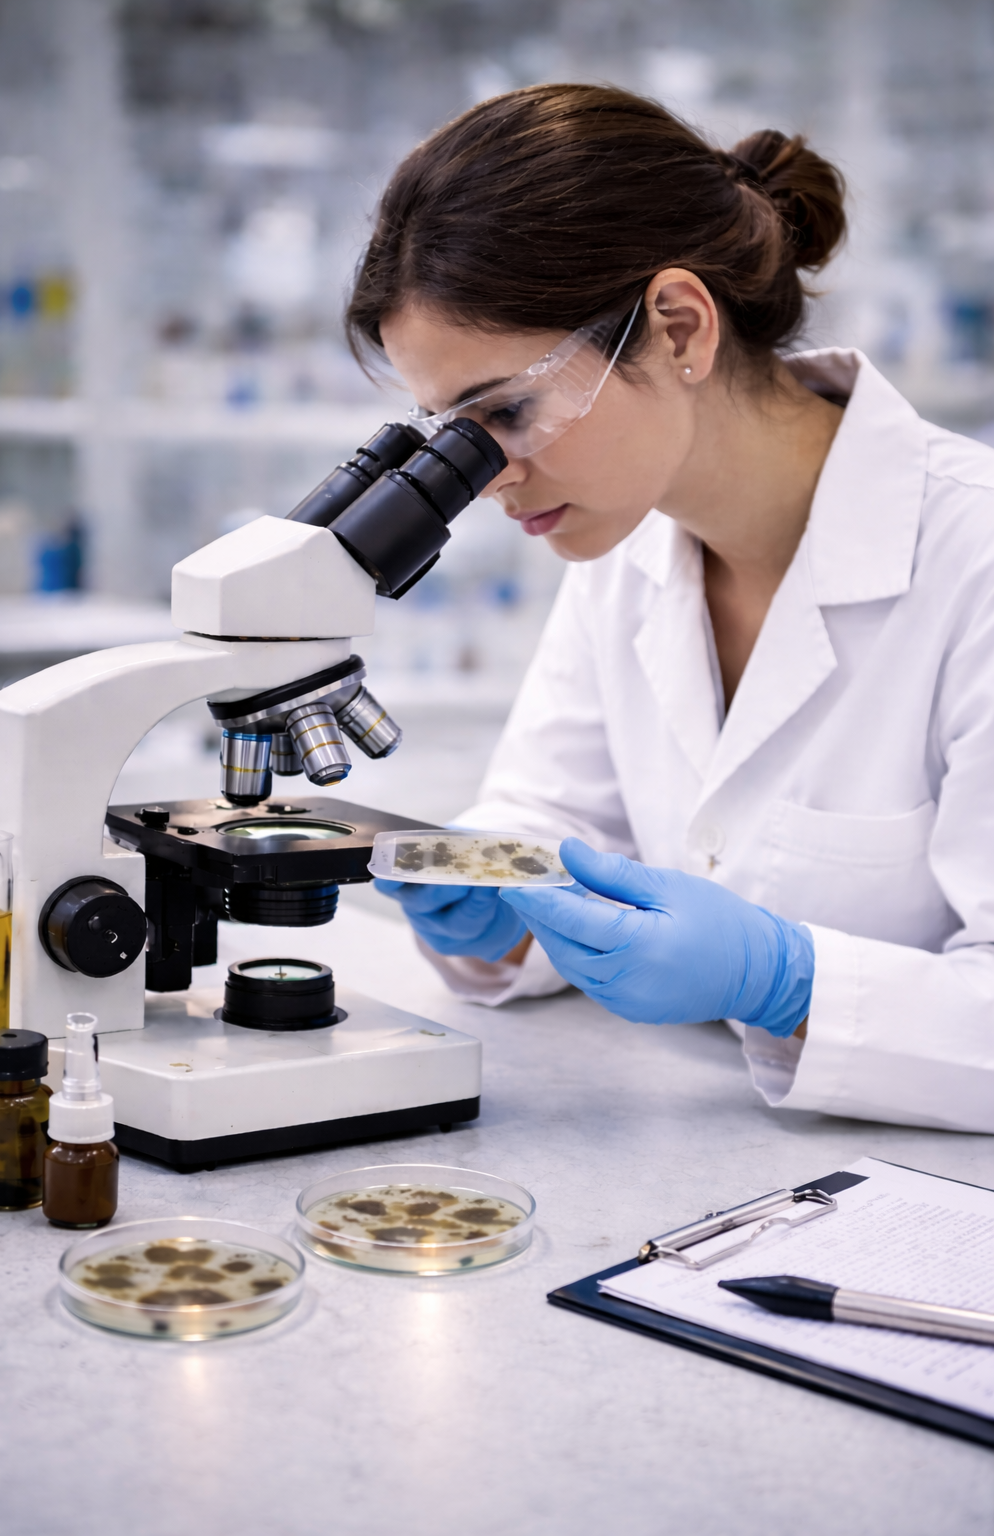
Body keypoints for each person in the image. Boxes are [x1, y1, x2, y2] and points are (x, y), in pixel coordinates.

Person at [346, 83, 994, 1134]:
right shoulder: (623, 539)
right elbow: (554, 825)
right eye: (450, 435)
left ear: (679, 327)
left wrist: (785, 980)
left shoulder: (974, 562)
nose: (486, 478)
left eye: (506, 411)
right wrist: (499, 908)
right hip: (699, 1148)